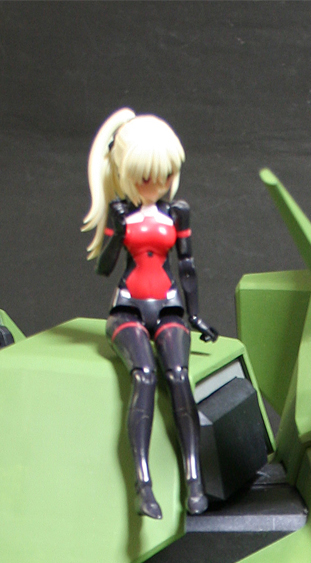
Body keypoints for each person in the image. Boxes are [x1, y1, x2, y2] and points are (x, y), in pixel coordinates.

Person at [82, 108, 218, 519]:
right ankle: (144, 485)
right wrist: (117, 230)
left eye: (164, 176)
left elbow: (187, 266)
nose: (155, 186)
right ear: (126, 174)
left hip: (169, 306)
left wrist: (195, 315)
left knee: (178, 376)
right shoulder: (122, 214)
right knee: (143, 375)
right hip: (127, 309)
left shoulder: (177, 213)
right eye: (145, 178)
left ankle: (194, 479)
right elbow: (104, 268)